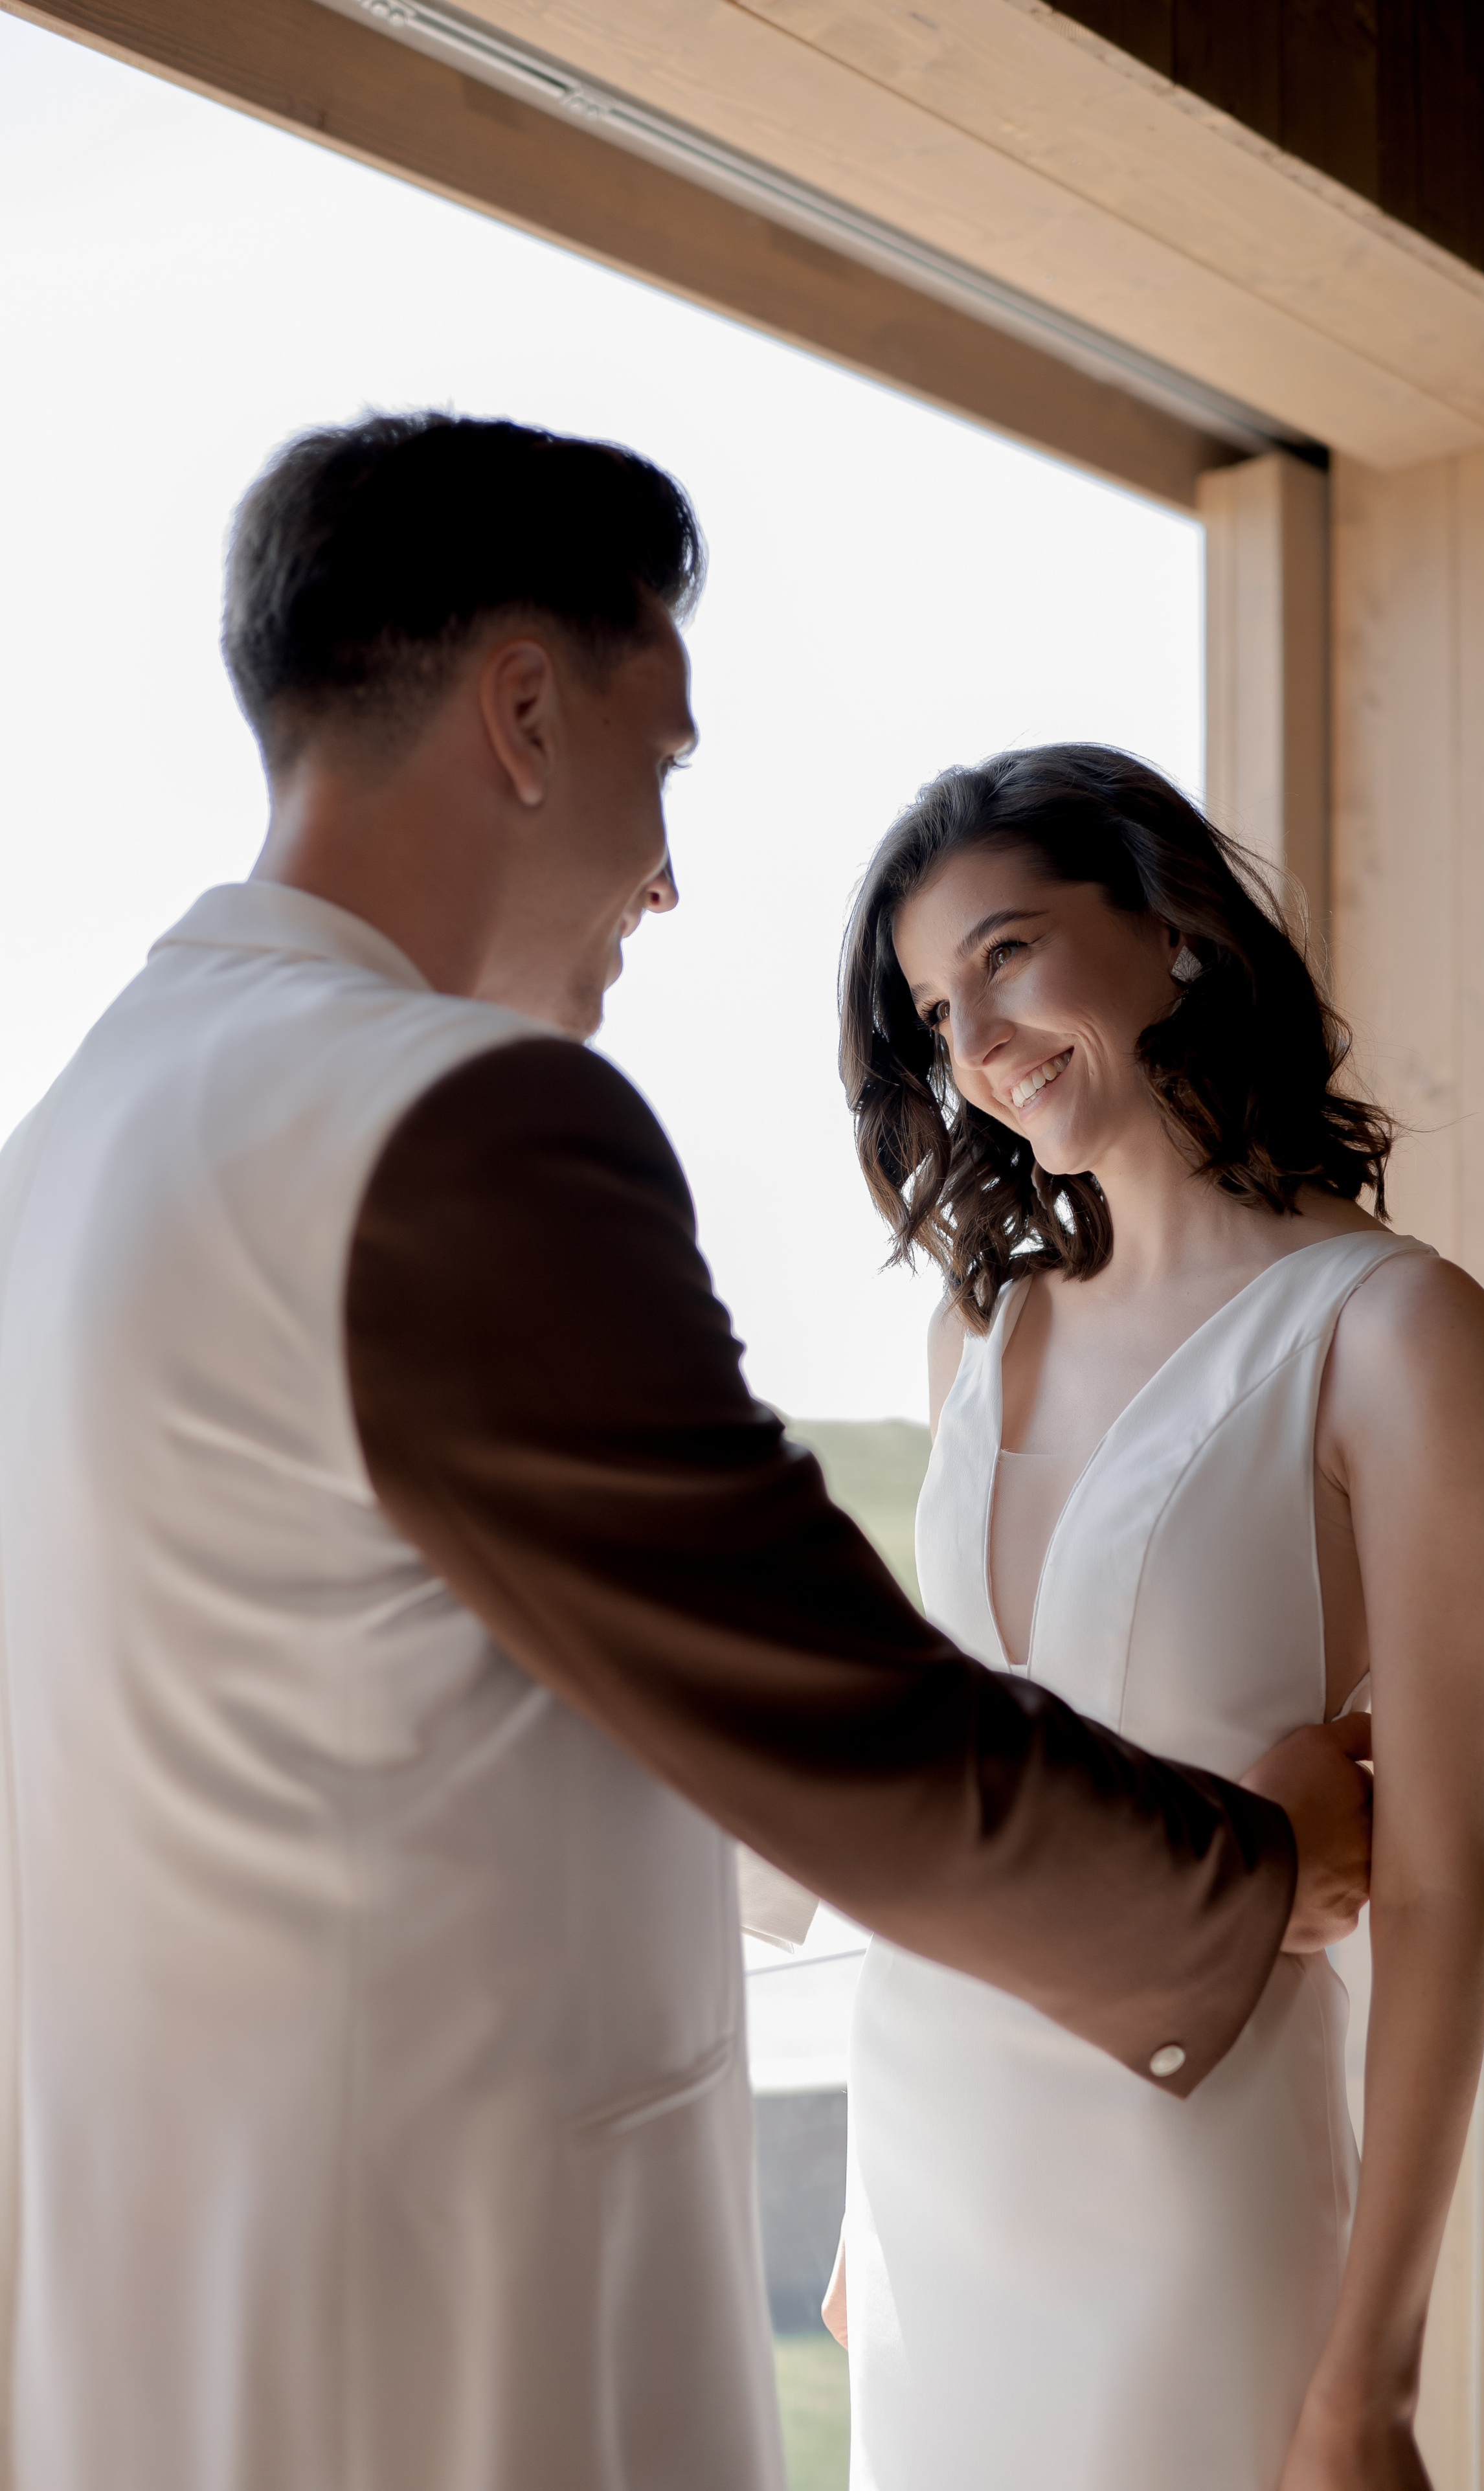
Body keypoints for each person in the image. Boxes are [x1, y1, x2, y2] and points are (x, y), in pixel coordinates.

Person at [0, 418, 1372, 2491]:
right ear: (526, 714)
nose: (668, 873)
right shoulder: (455, 1125)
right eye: (666, 764)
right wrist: (1259, 1875)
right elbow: (841, 1723)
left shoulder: (74, 1138)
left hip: (137, 2336)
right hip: (441, 2342)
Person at [827, 747, 1484, 2491]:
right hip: (921, 2173)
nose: (973, 1039)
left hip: (1195, 2183)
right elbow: (967, 1788)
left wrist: (1369, 2382)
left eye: (1007, 952)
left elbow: (1437, 1889)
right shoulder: (970, 1346)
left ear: (1176, 932)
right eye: (930, 1009)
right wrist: (854, 2210)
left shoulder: (1391, 1330)